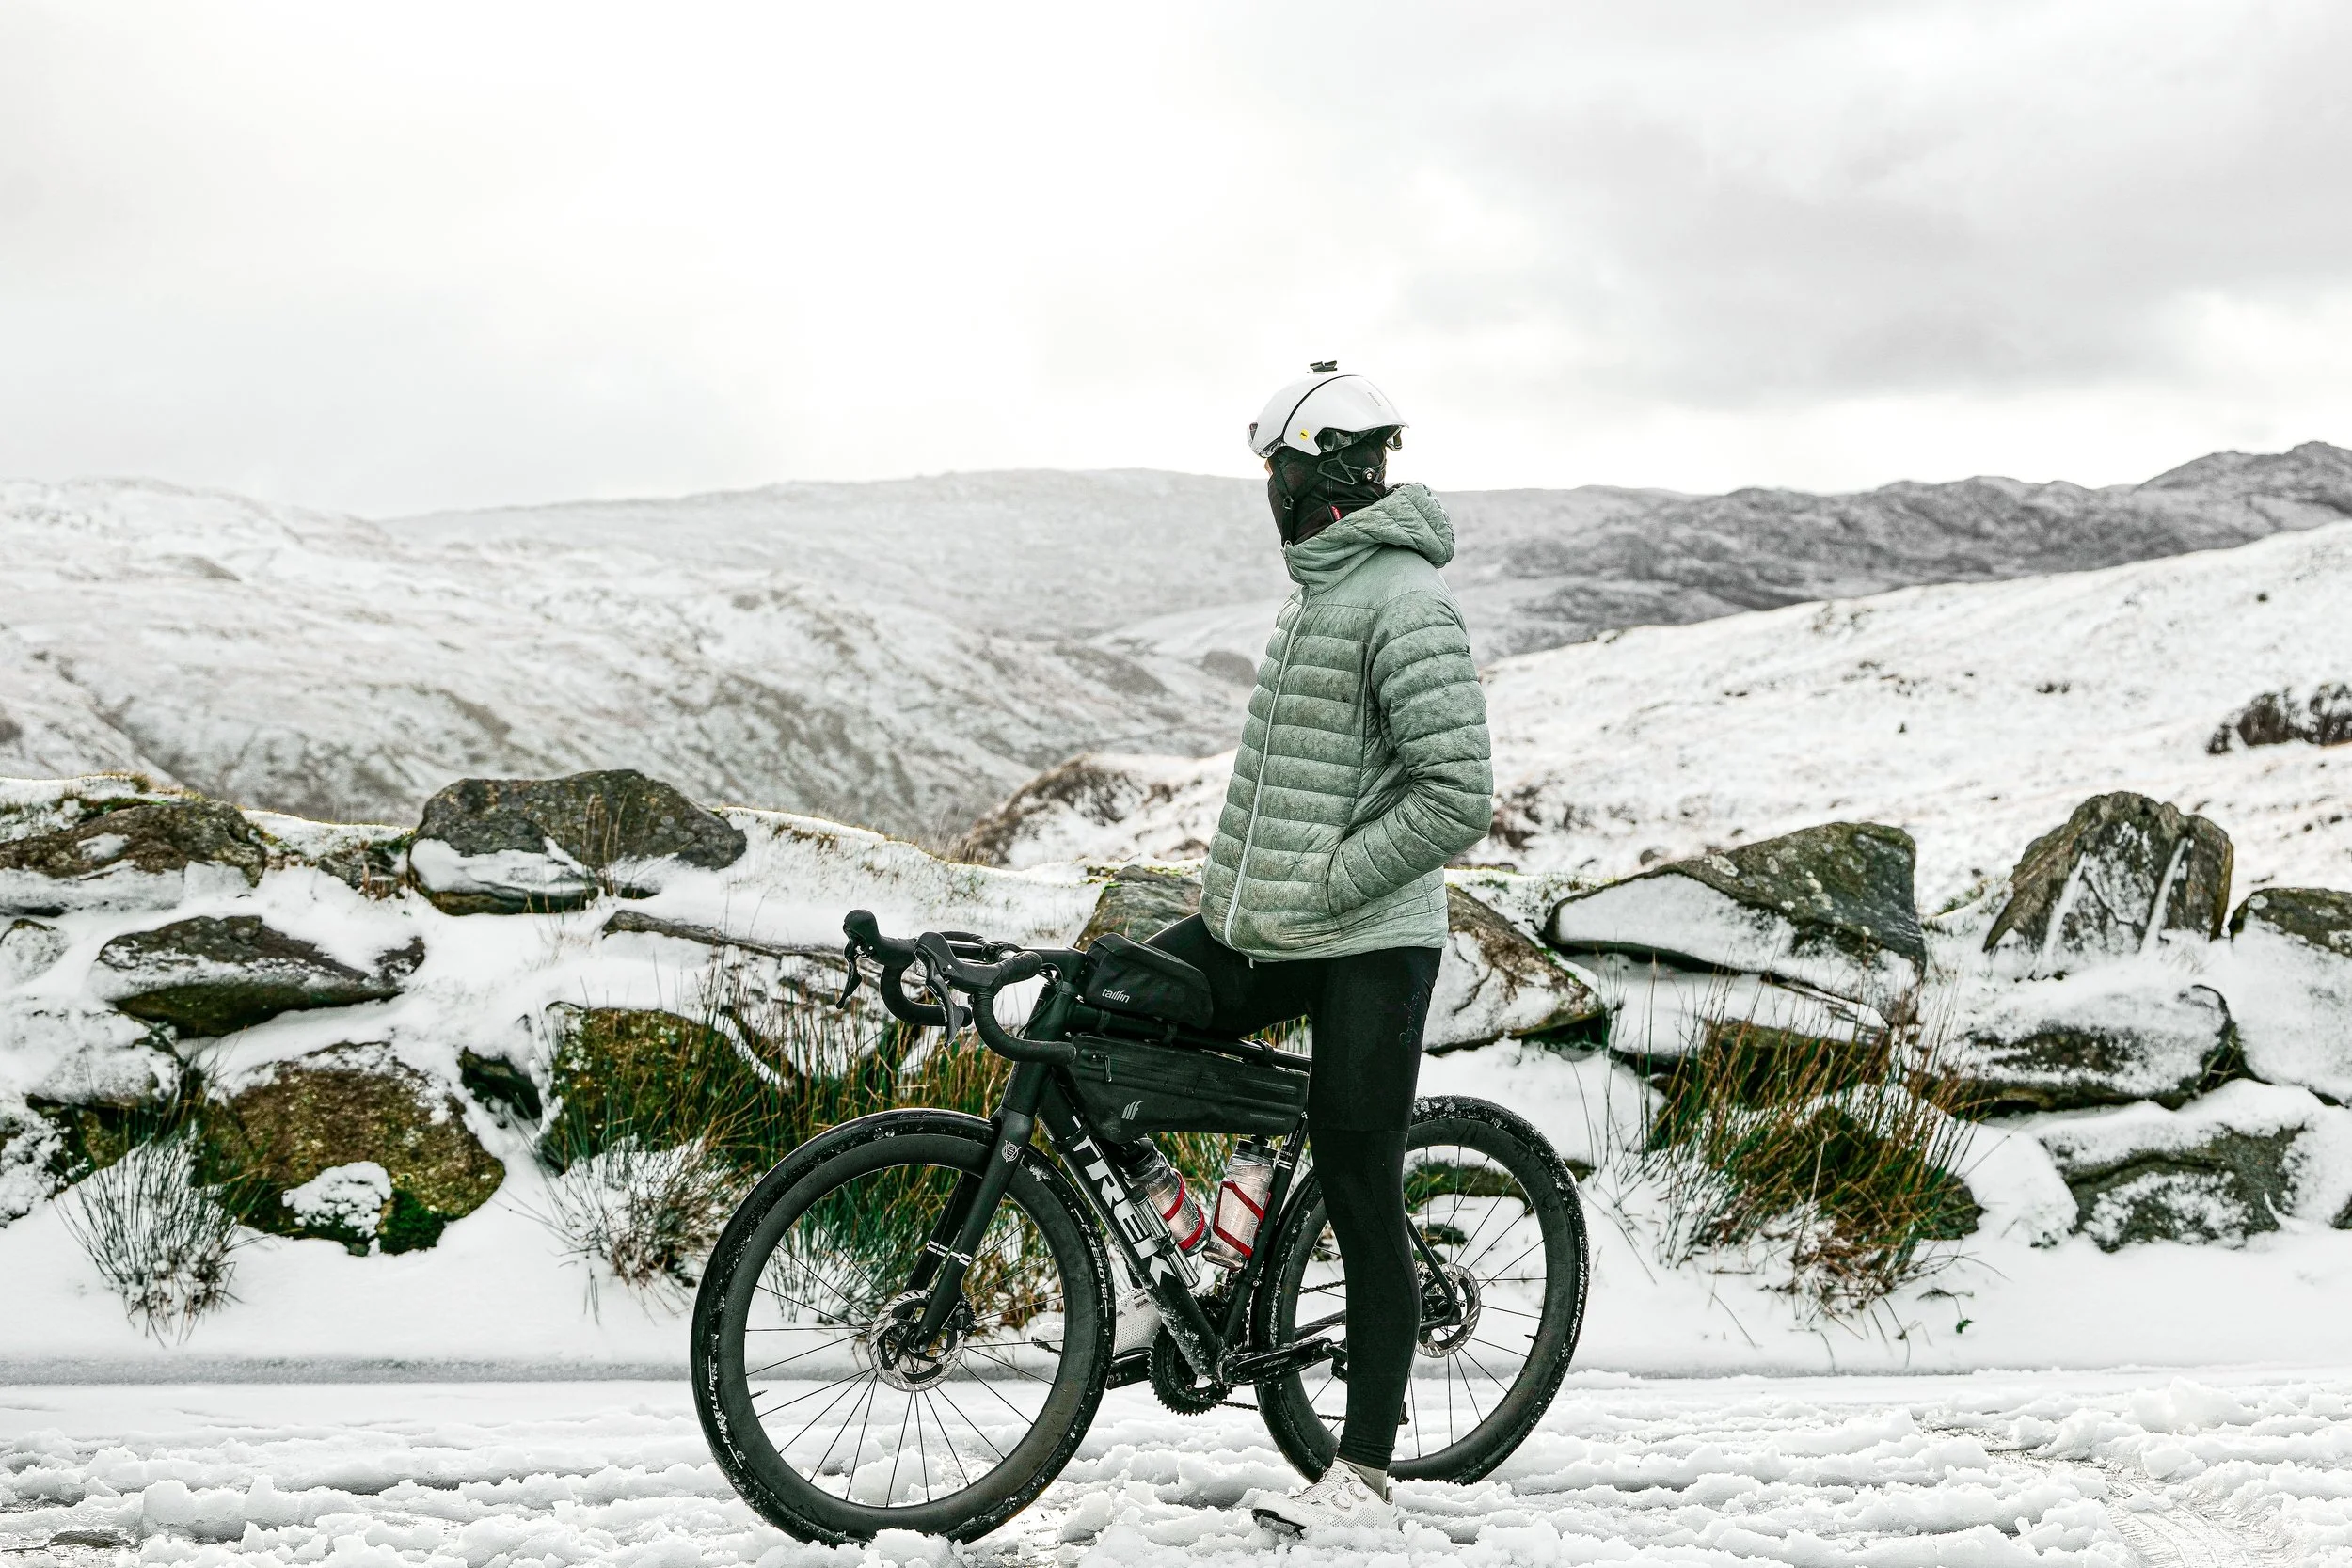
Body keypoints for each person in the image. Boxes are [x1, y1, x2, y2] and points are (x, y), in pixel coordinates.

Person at [1150, 363, 1494, 1536]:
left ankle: (1365, 1476)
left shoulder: (1403, 599)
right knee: (1103, 1006)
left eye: (1278, 469)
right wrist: (1273, 894)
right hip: (1275, 927)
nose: (1270, 490)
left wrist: (1328, 884)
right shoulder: (1320, 588)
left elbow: (1456, 795)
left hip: (1370, 944)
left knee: (1358, 1180)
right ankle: (1196, 1259)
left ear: (1328, 470)